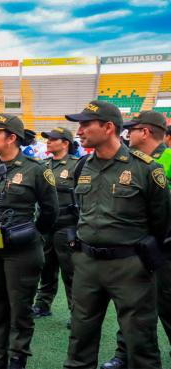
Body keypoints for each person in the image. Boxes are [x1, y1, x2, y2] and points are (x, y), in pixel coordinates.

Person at [63, 101, 170, 369]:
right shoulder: (81, 167)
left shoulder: (147, 169)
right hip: (87, 265)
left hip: (130, 266)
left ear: (108, 127)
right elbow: (80, 212)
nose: (79, 131)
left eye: (86, 124)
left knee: (140, 341)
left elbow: (162, 223)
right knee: (80, 337)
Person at [0, 113, 59, 369]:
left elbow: (50, 211)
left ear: (11, 138)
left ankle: (17, 357)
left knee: (20, 307)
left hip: (22, 248)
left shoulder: (36, 170)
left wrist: (30, 233)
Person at [100, 110, 171, 369]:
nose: (128, 133)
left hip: (164, 247)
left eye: (133, 129)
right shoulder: (129, 161)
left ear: (146, 132)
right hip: (134, 248)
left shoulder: (168, 158)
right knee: (130, 306)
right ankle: (125, 352)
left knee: (167, 305)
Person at [31, 127, 79, 323]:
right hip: (46, 224)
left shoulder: (77, 166)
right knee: (46, 266)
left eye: (53, 139)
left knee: (70, 271)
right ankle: (43, 304)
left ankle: (76, 312)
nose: (48, 142)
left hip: (67, 225)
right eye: (47, 138)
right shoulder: (44, 165)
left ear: (65, 143)